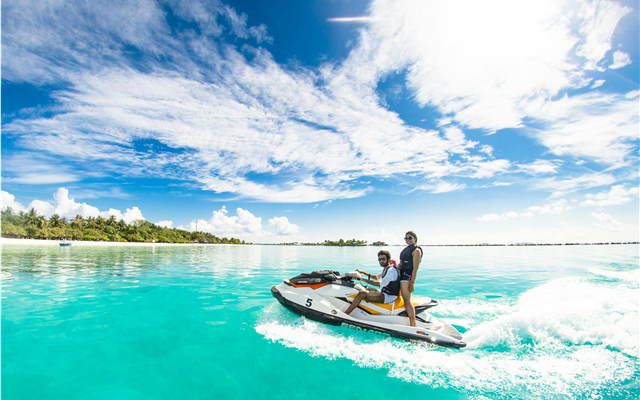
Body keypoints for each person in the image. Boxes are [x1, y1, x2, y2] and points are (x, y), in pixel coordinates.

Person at [344, 250, 400, 315]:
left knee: (361, 293)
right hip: (384, 292)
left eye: (383, 259)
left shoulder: (391, 270)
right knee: (363, 287)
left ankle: (346, 314)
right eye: (379, 259)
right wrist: (363, 272)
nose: (381, 261)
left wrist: (362, 279)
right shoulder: (386, 268)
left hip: (389, 297)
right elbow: (376, 277)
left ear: (389, 260)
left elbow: (380, 284)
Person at [399, 231, 422, 327]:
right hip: (401, 274)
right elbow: (402, 263)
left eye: (410, 238)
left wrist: (412, 282)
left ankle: (413, 324)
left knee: (407, 300)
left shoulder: (416, 250)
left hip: (407, 277)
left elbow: (415, 268)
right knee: (399, 296)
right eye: (406, 238)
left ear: (415, 238)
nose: (408, 240)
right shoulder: (407, 249)